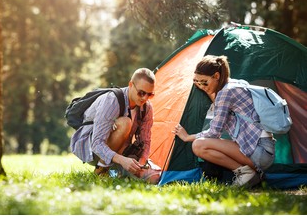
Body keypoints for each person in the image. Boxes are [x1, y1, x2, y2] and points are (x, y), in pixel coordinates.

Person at [173, 55, 275, 188]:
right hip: (264, 150)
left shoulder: (225, 93)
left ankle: (245, 173)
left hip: (259, 151)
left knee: (198, 145)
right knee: (203, 144)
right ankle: (252, 173)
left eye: (204, 82)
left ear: (216, 76)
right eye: (197, 83)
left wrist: (187, 137)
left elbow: (214, 132)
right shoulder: (235, 84)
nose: (201, 86)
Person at [70, 68, 156, 180]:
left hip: (121, 152)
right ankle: (100, 170)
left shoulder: (147, 108)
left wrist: (141, 162)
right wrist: (122, 160)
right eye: (141, 93)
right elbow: (97, 143)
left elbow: (146, 141)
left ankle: (114, 174)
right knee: (125, 123)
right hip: (93, 149)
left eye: (150, 94)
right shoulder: (112, 100)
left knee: (153, 178)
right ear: (131, 85)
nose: (145, 98)